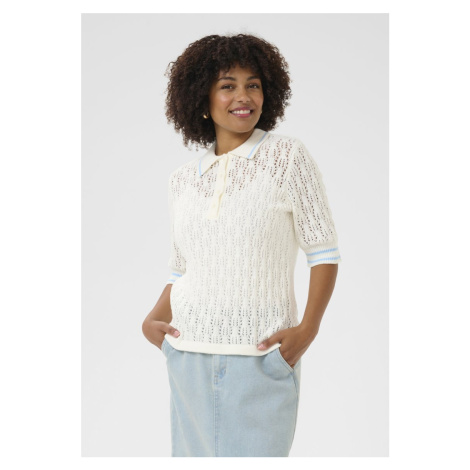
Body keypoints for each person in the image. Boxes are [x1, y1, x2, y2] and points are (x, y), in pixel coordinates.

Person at [142, 33, 342, 457]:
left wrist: (308, 330)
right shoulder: (182, 180)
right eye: (227, 85)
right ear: (202, 97)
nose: (244, 96)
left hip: (262, 359)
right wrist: (152, 320)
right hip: (188, 355)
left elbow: (323, 252)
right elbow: (182, 268)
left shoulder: (287, 158)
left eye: (254, 84)